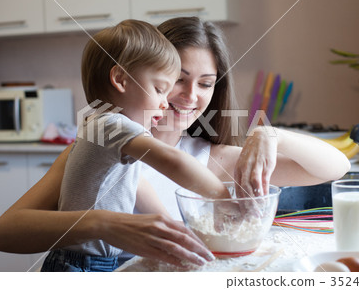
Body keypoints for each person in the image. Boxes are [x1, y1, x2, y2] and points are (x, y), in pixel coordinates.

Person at [0, 17, 350, 270]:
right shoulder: (97, 143)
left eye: (206, 83)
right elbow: (3, 234)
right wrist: (102, 224)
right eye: (176, 80)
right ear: (130, 76)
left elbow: (337, 167)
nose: (190, 96)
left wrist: (267, 134)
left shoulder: (214, 157)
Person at [39, 19, 231, 272]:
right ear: (120, 79)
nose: (164, 102)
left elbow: (146, 196)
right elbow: (174, 162)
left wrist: (182, 238)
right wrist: (225, 200)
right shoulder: (109, 124)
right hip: (78, 266)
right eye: (161, 89)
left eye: (206, 83)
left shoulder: (111, 142)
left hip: (99, 262)